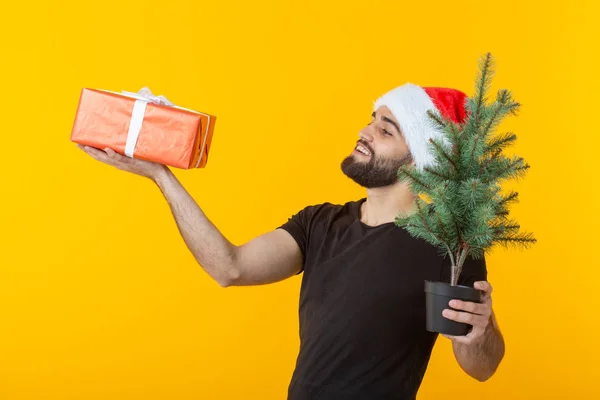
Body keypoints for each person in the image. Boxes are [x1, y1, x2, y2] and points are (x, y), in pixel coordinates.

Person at [77, 82, 505, 399]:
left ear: (420, 161)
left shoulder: (443, 245)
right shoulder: (319, 223)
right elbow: (230, 267)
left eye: (387, 130)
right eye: (372, 119)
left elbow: (481, 367)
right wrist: (160, 176)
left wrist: (479, 333)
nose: (365, 131)